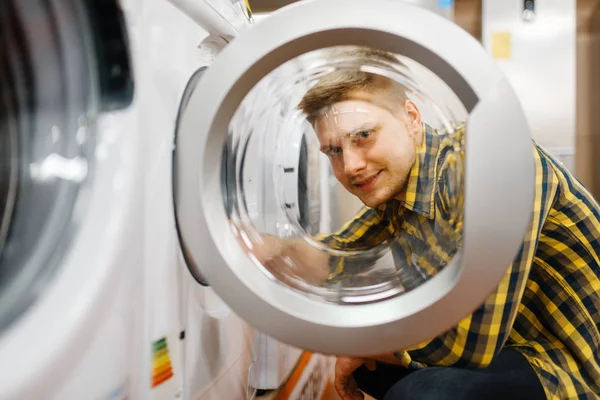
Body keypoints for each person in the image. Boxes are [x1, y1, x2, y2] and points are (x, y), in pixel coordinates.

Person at [244, 47, 600, 400]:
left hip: (572, 362)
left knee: (421, 393)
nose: (350, 165)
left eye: (363, 136)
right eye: (334, 151)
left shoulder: (490, 165)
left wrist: (371, 345)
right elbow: (334, 256)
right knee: (375, 370)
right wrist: (267, 249)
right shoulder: (401, 193)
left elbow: (469, 346)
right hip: (515, 345)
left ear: (411, 117)